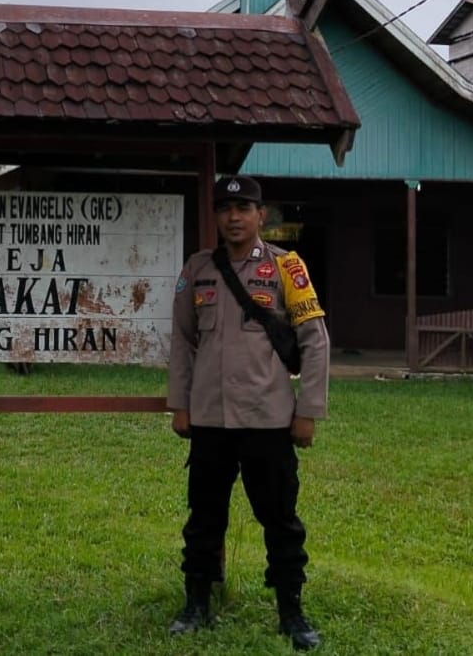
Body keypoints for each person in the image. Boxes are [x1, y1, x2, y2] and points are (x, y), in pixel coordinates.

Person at [166, 175, 329, 650]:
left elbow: (314, 341)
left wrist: (308, 411)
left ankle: (291, 612)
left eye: (243, 209)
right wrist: (180, 404)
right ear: (217, 216)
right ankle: (196, 604)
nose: (234, 218)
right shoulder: (198, 269)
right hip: (210, 421)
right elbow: (183, 340)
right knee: (203, 518)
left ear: (261, 215)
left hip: (268, 420)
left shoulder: (286, 268)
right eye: (225, 209)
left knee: (280, 520)